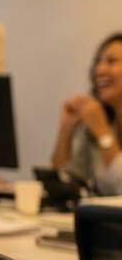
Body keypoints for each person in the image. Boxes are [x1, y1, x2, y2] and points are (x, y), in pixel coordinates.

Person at [51, 34, 122, 195]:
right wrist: (66, 129)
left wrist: (103, 133)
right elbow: (64, 182)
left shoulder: (99, 124)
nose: (99, 70)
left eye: (111, 61)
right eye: (98, 62)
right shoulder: (102, 119)